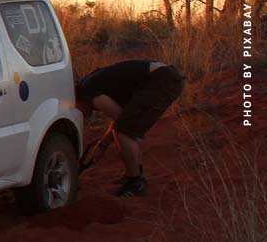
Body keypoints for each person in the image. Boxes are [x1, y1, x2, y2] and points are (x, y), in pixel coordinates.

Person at [75, 59, 185, 197]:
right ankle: (134, 176)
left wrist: (103, 145)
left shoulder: (88, 92)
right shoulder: (89, 83)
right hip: (167, 76)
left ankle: (135, 183)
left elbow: (120, 120)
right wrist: (102, 144)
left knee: (124, 131)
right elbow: (122, 119)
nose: (82, 115)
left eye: (76, 110)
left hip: (163, 80)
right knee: (126, 129)